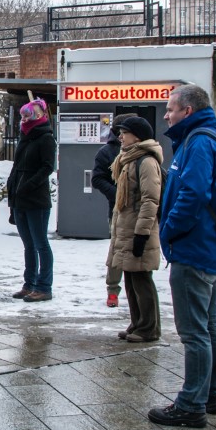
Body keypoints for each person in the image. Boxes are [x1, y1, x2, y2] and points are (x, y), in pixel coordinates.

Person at [148, 84, 216, 429]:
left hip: (194, 249)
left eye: (171, 109)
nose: (166, 115)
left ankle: (191, 404)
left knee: (195, 331)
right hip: (211, 248)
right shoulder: (211, 138)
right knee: (210, 324)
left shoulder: (198, 143)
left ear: (189, 110)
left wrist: (169, 230)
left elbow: (193, 193)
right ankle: (210, 394)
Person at [107, 117, 163, 343]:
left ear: (137, 136)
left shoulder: (146, 161)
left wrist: (142, 233)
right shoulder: (128, 159)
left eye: (124, 132)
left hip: (138, 229)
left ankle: (149, 328)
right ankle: (137, 322)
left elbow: (150, 199)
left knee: (141, 279)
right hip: (126, 227)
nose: (120, 136)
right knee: (130, 277)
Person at [7, 98, 56, 302]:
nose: (26, 119)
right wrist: (13, 188)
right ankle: (29, 283)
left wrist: (28, 185)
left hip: (36, 199)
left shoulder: (45, 138)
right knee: (28, 244)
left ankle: (44, 286)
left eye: (30, 115)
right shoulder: (24, 136)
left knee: (40, 243)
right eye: (24, 115)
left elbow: (47, 167)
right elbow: (17, 165)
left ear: (41, 115)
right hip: (20, 199)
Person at [92, 113, 133, 307]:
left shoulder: (145, 151)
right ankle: (113, 290)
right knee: (117, 251)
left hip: (141, 211)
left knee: (139, 252)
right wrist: (118, 194)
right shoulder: (107, 152)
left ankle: (136, 291)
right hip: (117, 209)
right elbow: (97, 179)